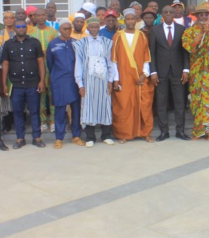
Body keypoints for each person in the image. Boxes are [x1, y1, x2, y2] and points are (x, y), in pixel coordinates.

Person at [110, 9, 154, 143]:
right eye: (128, 19)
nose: (130, 21)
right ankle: (124, 134)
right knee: (124, 106)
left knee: (144, 106)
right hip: (124, 77)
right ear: (124, 20)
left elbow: (147, 58)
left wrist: (144, 74)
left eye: (132, 19)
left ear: (136, 20)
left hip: (139, 78)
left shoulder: (141, 35)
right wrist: (116, 79)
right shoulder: (117, 36)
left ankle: (145, 133)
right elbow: (114, 60)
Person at [1, 20, 46, 149]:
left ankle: (37, 137)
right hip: (16, 85)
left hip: (33, 83)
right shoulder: (8, 44)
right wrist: (4, 84)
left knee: (34, 111)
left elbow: (41, 62)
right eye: (18, 26)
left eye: (23, 26)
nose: (21, 28)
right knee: (18, 112)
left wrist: (42, 81)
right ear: (14, 28)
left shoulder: (34, 42)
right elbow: (5, 64)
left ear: (27, 28)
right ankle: (20, 138)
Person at [149, 5, 190, 141]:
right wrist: (153, 71)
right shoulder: (155, 30)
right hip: (160, 72)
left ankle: (180, 131)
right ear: (161, 15)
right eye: (165, 12)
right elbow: (152, 53)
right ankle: (163, 131)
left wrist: (186, 69)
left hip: (178, 72)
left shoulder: (181, 29)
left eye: (170, 12)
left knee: (179, 102)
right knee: (161, 103)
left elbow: (185, 52)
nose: (168, 14)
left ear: (174, 14)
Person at [73, 17, 115, 147]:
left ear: (99, 27)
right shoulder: (81, 44)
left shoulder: (107, 43)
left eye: (96, 27)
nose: (94, 29)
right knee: (88, 107)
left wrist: (110, 80)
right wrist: (80, 83)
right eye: (91, 27)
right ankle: (90, 137)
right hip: (88, 82)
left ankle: (106, 135)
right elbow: (78, 64)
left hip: (103, 82)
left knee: (105, 107)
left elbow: (110, 63)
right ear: (87, 28)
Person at [182, 3, 209, 140]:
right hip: (196, 71)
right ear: (196, 16)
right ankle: (198, 131)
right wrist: (202, 33)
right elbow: (190, 48)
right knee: (197, 100)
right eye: (201, 14)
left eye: (206, 14)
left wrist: (208, 31)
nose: (204, 17)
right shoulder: (189, 31)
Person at [46, 19, 84, 149]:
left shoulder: (76, 43)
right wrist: (56, 76)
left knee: (76, 109)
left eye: (69, 28)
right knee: (60, 110)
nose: (67, 31)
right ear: (60, 30)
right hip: (59, 81)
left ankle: (76, 136)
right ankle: (59, 138)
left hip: (74, 81)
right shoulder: (53, 44)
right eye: (64, 29)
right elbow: (50, 64)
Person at [28, 8, 58, 133]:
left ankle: (53, 121)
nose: (40, 17)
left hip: (51, 66)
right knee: (40, 94)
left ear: (46, 16)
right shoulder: (31, 32)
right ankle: (43, 120)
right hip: (36, 67)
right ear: (34, 17)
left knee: (52, 94)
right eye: (37, 15)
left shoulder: (53, 32)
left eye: (42, 15)